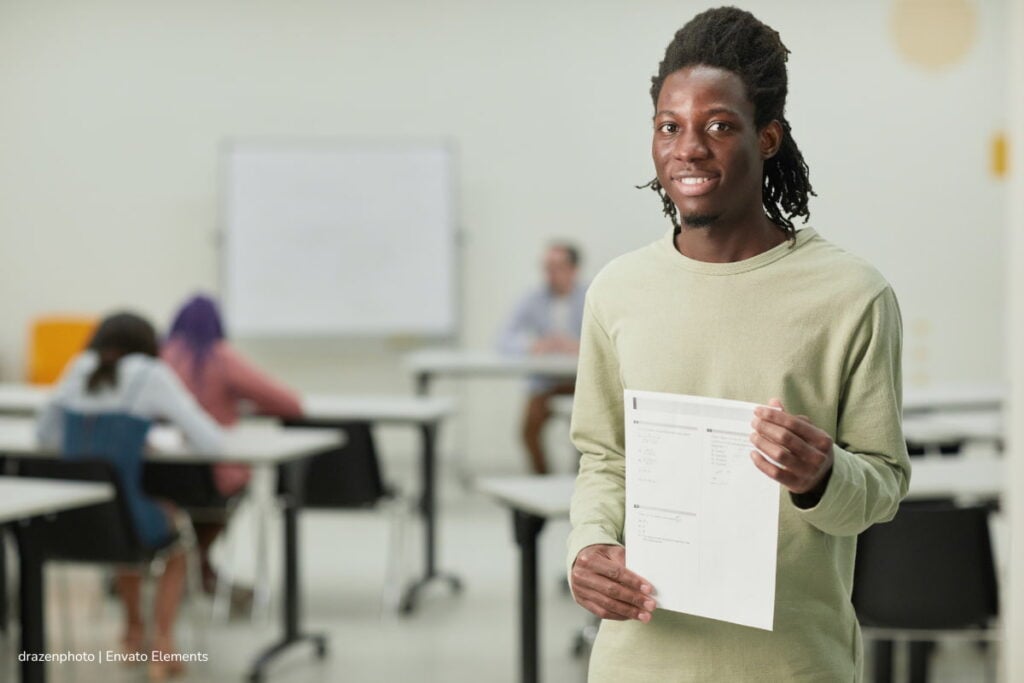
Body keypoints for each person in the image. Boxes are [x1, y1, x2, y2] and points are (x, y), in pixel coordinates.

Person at [567, 7, 910, 682]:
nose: (687, 147)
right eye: (670, 126)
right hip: (639, 662)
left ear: (769, 136)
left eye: (718, 125)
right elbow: (603, 458)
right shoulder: (618, 291)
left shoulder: (852, 295)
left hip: (792, 665)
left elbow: (884, 486)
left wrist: (823, 475)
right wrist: (589, 547)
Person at [37, 312, 223, 678]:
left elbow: (45, 436)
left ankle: (132, 631)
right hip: (124, 515)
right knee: (176, 535)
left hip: (70, 518)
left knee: (122, 535)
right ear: (149, 345)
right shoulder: (149, 375)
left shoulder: (78, 367)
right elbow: (211, 441)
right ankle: (162, 642)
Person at [161, 294, 303, 592]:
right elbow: (288, 403)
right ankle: (197, 560)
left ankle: (189, 563)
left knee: (182, 502)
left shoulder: (161, 358)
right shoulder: (220, 357)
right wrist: (244, 405)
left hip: (161, 475)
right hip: (211, 477)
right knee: (234, 484)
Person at [497, 243, 587, 474]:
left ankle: (578, 483)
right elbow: (503, 338)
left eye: (558, 267)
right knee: (528, 431)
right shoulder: (533, 298)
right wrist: (533, 345)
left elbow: (607, 339)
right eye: (547, 267)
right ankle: (541, 481)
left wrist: (578, 346)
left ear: (573, 269)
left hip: (581, 383)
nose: (551, 273)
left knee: (588, 435)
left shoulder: (592, 296)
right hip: (545, 382)